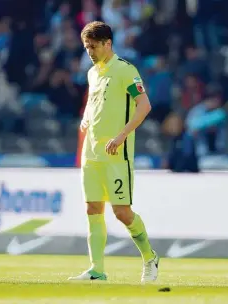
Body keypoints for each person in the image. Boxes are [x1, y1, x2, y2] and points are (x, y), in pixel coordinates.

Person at [68, 21, 159, 283]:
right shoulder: (93, 73)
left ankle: (150, 258)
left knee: (122, 212)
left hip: (117, 155)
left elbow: (144, 106)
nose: (90, 52)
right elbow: (95, 104)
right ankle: (97, 270)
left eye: (93, 46)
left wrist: (121, 136)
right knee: (92, 209)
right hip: (92, 153)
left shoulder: (125, 70)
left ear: (108, 43)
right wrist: (85, 120)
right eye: (86, 47)